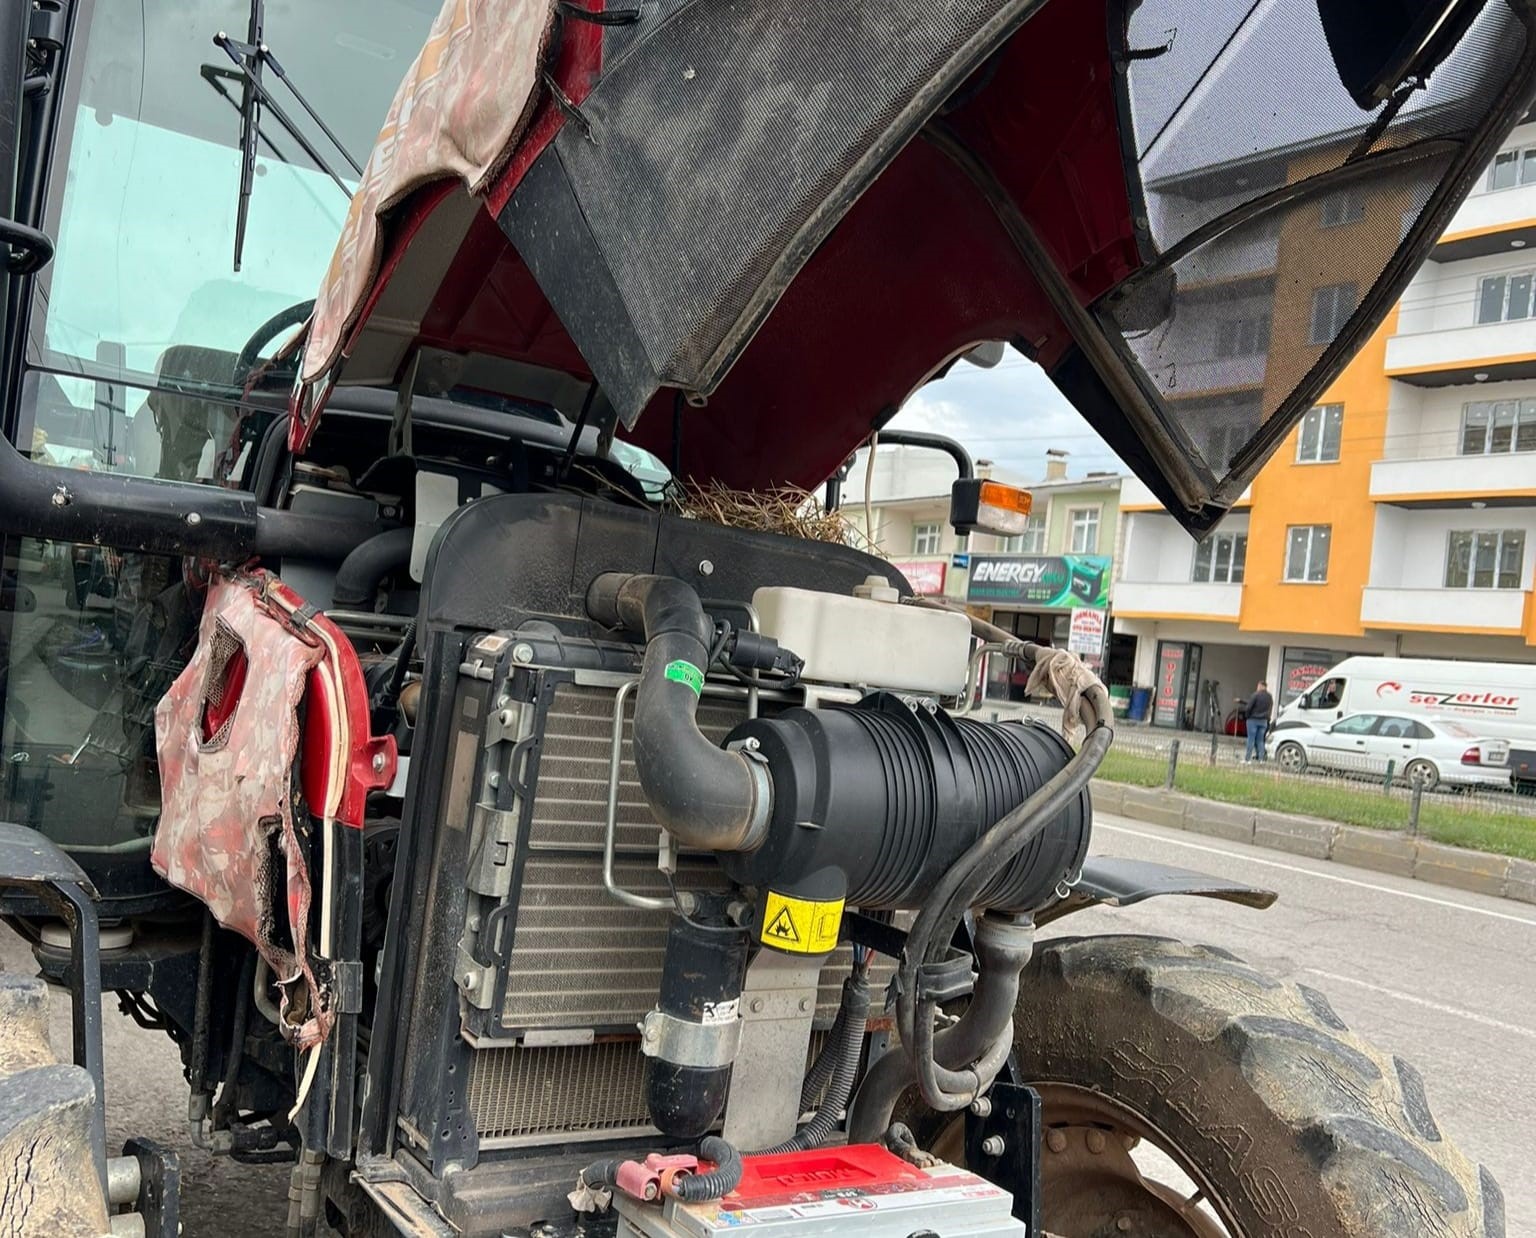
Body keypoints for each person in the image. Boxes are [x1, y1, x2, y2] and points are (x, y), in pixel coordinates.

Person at [1245, 680, 1274, 762]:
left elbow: (1249, 707)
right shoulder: (1270, 697)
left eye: (1258, 686)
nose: (1257, 688)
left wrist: (1247, 716)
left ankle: (1247, 759)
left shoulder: (1256, 695)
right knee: (1260, 740)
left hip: (1253, 720)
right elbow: (1270, 708)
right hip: (1264, 721)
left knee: (1251, 739)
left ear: (1260, 686)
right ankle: (1261, 759)